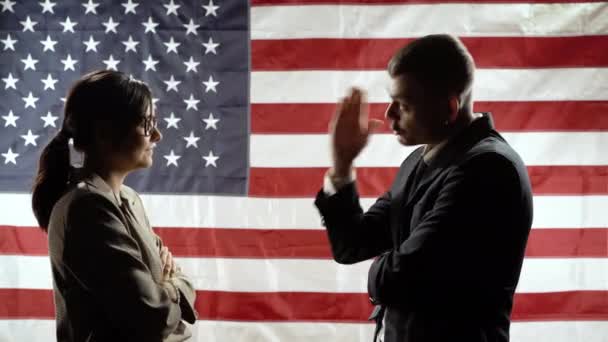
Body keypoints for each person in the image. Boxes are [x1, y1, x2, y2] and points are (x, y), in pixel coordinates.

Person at [314, 34, 533, 342]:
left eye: (403, 104)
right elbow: (352, 245)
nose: (389, 114)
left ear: (450, 107)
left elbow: (399, 280)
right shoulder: (420, 160)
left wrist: (384, 269)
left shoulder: (488, 170)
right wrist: (341, 165)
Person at [31, 70, 197, 341]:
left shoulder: (128, 198)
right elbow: (154, 316)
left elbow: (161, 291)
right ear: (105, 132)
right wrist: (176, 287)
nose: (156, 135)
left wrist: (163, 286)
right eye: (146, 123)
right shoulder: (88, 207)